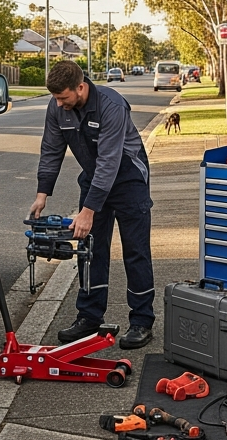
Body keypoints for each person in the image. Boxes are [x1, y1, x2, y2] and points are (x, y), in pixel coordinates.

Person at [30, 60, 154, 349]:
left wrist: (88, 210)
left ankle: (141, 321)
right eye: (55, 98)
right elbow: (51, 149)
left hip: (128, 180)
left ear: (81, 87)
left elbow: (110, 162)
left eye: (63, 97)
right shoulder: (58, 108)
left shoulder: (112, 106)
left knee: (135, 251)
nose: (59, 104)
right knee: (90, 251)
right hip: (93, 179)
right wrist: (42, 193)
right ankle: (89, 317)